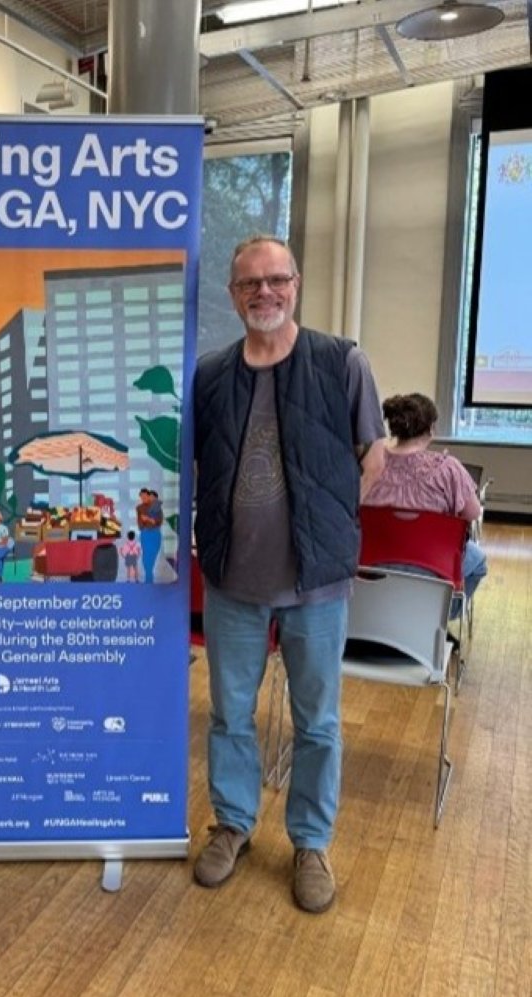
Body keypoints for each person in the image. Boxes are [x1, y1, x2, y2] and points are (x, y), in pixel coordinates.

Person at [192, 235, 386, 914]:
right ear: (233, 295)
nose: (264, 293)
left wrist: (327, 523)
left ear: (296, 284)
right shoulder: (211, 374)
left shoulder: (341, 362)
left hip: (316, 585)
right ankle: (233, 824)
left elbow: (374, 456)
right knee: (230, 717)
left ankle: (310, 841)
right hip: (231, 582)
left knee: (318, 723)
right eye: (250, 284)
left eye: (276, 280)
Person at [364, 392, 487, 608]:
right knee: (478, 561)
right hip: (432, 572)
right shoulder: (448, 468)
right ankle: (439, 615)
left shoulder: (370, 463)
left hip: (370, 572)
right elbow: (473, 513)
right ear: (431, 429)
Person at [135, 488, 163, 582]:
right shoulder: (139, 508)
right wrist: (145, 522)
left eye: (145, 496)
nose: (144, 498)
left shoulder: (157, 506)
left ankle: (148, 579)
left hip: (155, 534)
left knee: (152, 557)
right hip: (145, 533)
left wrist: (148, 519)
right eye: (141, 496)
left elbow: (159, 522)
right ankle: (149, 580)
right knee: (146, 558)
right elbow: (140, 523)